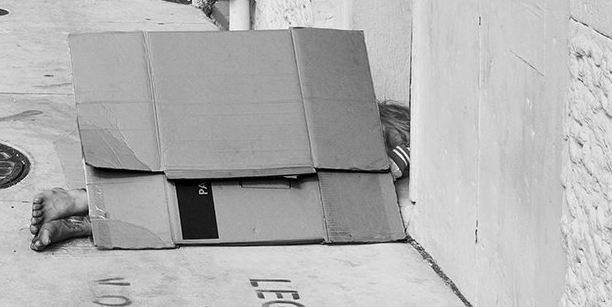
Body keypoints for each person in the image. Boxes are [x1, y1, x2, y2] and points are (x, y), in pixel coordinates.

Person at [27, 101, 413, 252]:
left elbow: (392, 163)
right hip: (276, 164)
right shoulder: (366, 124)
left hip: (288, 192)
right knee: (192, 181)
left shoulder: (404, 147)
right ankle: (83, 203)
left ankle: (84, 218)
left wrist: (391, 158)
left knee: (200, 208)